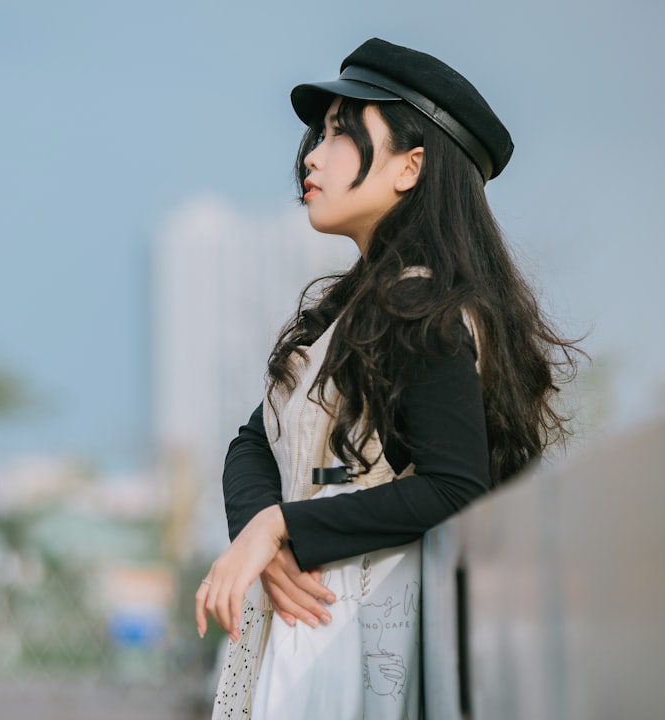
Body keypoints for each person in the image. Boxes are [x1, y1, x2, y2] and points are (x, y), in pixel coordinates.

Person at [193, 38, 581, 718]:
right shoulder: (353, 312)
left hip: (361, 647)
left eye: (343, 132)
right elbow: (253, 442)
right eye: (321, 132)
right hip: (314, 631)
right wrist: (264, 527)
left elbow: (456, 485)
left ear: (411, 166)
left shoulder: (421, 307)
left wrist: (282, 526)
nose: (312, 154)